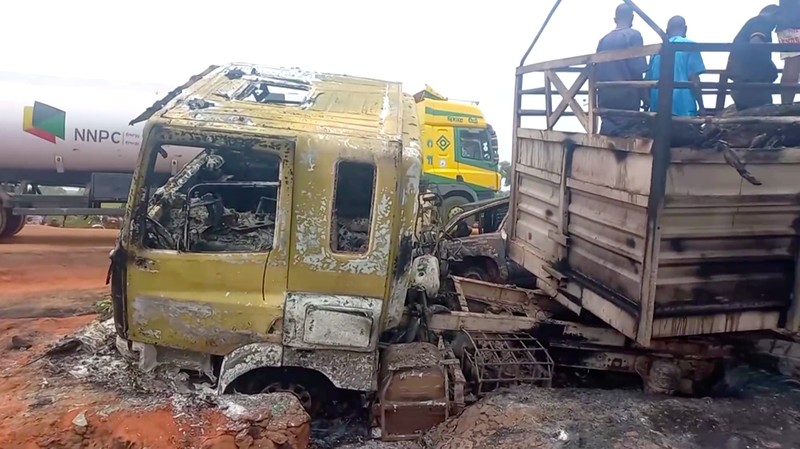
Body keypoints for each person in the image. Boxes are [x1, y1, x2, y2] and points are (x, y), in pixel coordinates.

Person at [595, 3, 649, 136]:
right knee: (629, 132)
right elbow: (638, 70)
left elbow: (596, 70)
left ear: (615, 19)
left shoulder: (603, 40)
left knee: (609, 131)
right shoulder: (634, 35)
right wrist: (646, 98)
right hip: (627, 97)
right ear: (632, 17)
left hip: (606, 96)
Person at [647, 16, 707, 116]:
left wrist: (649, 105)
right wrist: (702, 107)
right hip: (683, 109)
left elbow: (648, 81)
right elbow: (694, 79)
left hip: (658, 110)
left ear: (667, 31)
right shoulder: (691, 46)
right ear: (685, 29)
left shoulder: (656, 50)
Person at [728, 5, 780, 110]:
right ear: (775, 15)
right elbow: (756, 42)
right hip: (752, 82)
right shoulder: (762, 22)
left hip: (742, 81)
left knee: (749, 120)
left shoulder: (753, 23)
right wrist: (771, 69)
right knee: (763, 117)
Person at [777, 0, 800, 104]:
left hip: (788, 24)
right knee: (792, 64)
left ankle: (786, 104)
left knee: (791, 63)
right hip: (794, 23)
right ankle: (786, 104)